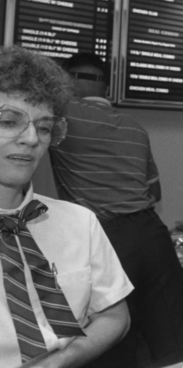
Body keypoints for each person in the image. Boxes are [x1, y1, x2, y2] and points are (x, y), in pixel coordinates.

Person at [48, 53, 183, 367]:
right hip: (151, 236)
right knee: (176, 338)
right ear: (105, 85)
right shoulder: (134, 127)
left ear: (69, 81)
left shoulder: (63, 117)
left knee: (111, 337)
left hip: (107, 236)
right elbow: (154, 191)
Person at [0, 45, 132, 367]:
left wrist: (61, 361)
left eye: (44, 127)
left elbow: (115, 317)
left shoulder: (78, 222)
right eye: (8, 121)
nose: (31, 139)